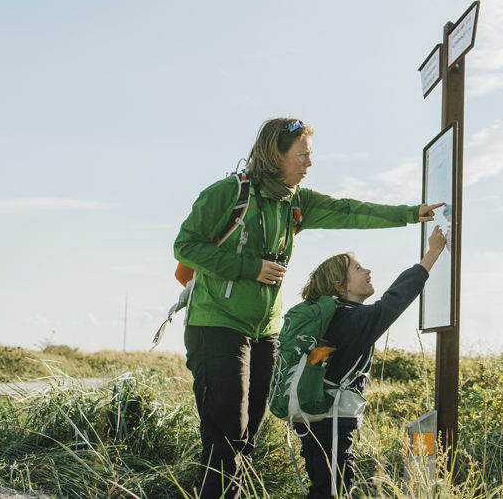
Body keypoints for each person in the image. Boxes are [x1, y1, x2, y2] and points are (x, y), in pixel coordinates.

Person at [174, 117, 442, 499]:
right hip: (216, 325)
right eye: (302, 155)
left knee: (247, 437)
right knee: (226, 439)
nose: (309, 164)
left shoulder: (297, 204)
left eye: (309, 156)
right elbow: (185, 247)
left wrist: (408, 213)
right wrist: (250, 268)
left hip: (263, 332)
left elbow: (349, 210)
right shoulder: (228, 194)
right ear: (274, 154)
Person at [293, 225, 447, 498]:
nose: (367, 271)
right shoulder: (352, 320)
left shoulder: (333, 318)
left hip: (313, 416)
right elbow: (394, 300)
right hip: (331, 420)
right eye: (358, 268)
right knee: (333, 490)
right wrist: (431, 255)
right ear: (340, 286)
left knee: (323, 487)